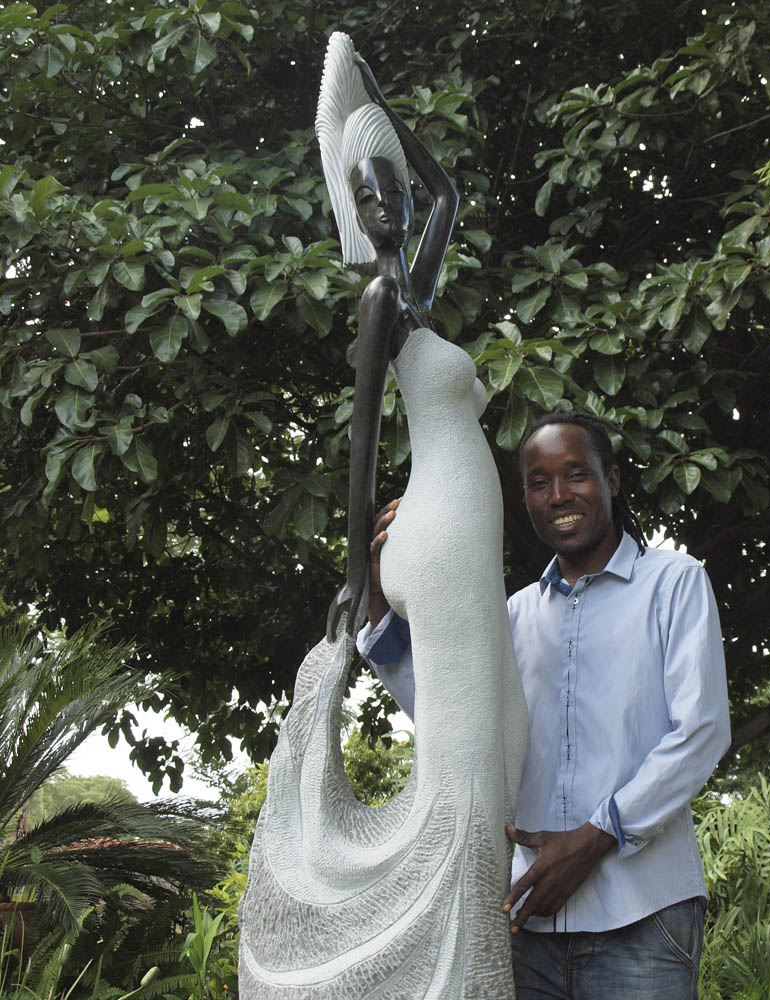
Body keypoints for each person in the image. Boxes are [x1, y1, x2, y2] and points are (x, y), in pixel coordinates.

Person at [239, 33, 528, 999]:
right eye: (368, 194)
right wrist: (358, 574)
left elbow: (448, 197)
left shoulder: (421, 283)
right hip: (437, 528)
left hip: (461, 522)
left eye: (390, 188)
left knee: (493, 735)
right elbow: (364, 439)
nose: (390, 202)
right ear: (356, 217)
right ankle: (447, 963)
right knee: (465, 752)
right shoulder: (381, 298)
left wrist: (375, 111)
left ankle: (457, 951)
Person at [357, 409, 732, 1000]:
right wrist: (381, 601)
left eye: (576, 474)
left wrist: (597, 834)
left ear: (611, 480)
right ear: (526, 499)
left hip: (644, 917)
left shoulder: (674, 581)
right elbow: (451, 721)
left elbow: (702, 731)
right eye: (539, 482)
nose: (559, 495)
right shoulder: (512, 615)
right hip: (527, 922)